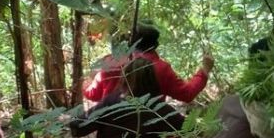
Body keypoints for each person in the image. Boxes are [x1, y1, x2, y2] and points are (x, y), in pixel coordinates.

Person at [83, 20, 215, 103]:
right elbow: (186, 94)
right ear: (155, 45)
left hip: (110, 135)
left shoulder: (111, 62)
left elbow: (93, 95)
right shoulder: (162, 69)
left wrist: (87, 81)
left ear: (130, 41)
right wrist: (204, 70)